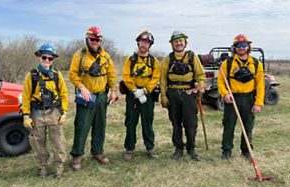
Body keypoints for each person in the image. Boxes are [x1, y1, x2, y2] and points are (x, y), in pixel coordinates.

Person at [69, 26, 116, 169]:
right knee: (82, 125)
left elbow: (111, 75)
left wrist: (113, 91)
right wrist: (82, 87)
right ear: (87, 39)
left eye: (98, 39)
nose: (95, 42)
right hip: (86, 97)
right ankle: (77, 155)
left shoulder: (106, 57)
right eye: (92, 39)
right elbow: (73, 74)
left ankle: (97, 152)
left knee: (100, 125)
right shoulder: (80, 55)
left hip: (102, 96)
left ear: (101, 40)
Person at [22, 43, 68, 178]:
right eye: (44, 58)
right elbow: (25, 97)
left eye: (50, 58)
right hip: (37, 113)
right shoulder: (31, 76)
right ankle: (43, 167)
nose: (47, 61)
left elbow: (64, 94)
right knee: (38, 142)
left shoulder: (57, 75)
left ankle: (59, 168)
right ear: (39, 58)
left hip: (54, 112)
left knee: (58, 141)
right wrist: (26, 115)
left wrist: (64, 112)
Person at [217, 34, 265, 160]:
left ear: (248, 47)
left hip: (249, 99)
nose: (241, 48)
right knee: (229, 125)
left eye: (244, 45)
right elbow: (221, 81)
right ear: (235, 48)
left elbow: (260, 84)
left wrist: (258, 102)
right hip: (232, 98)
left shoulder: (256, 64)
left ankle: (246, 151)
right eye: (238, 45)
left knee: (248, 126)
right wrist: (224, 94)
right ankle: (226, 151)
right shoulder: (227, 64)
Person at [160, 31, 205, 161]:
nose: (179, 43)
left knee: (190, 123)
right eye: (176, 41)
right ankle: (178, 148)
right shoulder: (167, 59)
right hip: (173, 94)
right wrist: (163, 96)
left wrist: (200, 87)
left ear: (185, 42)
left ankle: (191, 148)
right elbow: (162, 79)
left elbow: (200, 75)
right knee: (175, 123)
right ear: (172, 44)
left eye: (181, 41)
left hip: (189, 94)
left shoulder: (192, 57)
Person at [122, 30, 160, 161]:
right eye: (142, 42)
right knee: (131, 122)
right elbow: (126, 77)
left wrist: (145, 91)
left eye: (147, 43)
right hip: (133, 95)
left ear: (150, 45)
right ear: (138, 42)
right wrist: (134, 90)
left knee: (147, 122)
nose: (144, 45)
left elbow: (155, 78)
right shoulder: (130, 60)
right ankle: (129, 148)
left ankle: (150, 147)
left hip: (147, 96)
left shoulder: (154, 61)